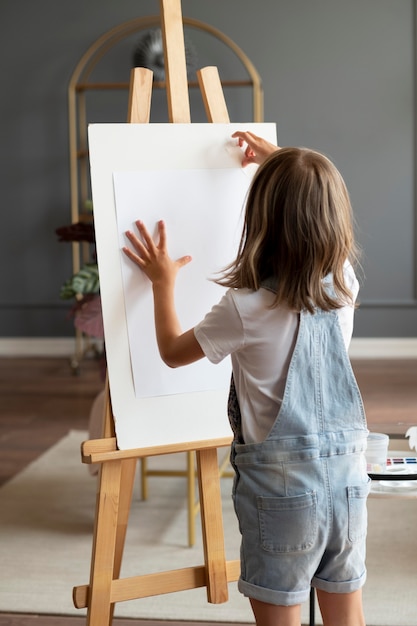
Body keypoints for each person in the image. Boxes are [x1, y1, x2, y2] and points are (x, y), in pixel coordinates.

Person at [123, 131, 370, 626]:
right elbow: (309, 201)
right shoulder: (343, 283)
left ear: (262, 220)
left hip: (281, 498)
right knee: (348, 618)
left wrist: (163, 283)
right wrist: (281, 162)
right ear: (335, 218)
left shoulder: (244, 309)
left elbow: (172, 352)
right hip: (349, 489)